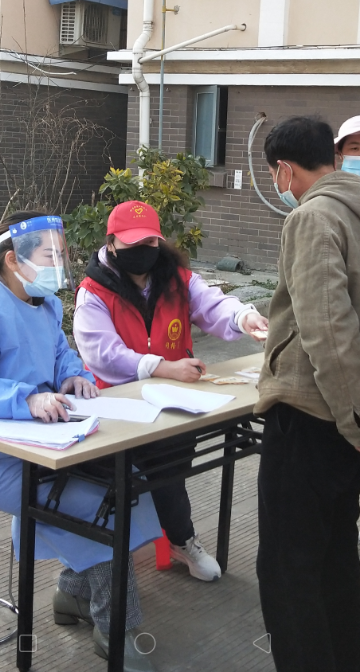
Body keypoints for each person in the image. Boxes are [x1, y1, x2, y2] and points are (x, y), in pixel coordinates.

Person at [0, 211, 162, 672]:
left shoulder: (42, 299)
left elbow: (58, 352)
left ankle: (73, 593)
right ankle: (116, 628)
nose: (59, 263)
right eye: (49, 255)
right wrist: (24, 399)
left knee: (127, 484)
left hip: (40, 438)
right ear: (13, 259)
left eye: (61, 254)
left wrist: (73, 374)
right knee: (95, 503)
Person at [69, 200, 268, 589]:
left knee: (171, 467)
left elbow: (212, 303)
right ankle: (109, 557)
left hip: (176, 398)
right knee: (121, 479)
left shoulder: (176, 279)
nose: (142, 250)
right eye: (131, 243)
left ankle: (178, 539)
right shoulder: (93, 291)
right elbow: (102, 353)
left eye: (149, 242)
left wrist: (243, 317)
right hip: (115, 404)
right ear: (111, 244)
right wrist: (160, 366)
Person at [255, 116, 360, 672]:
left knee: (288, 570)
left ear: (284, 170)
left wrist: (352, 419)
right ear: (334, 157)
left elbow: (327, 330)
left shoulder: (313, 216)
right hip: (342, 423)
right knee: (337, 558)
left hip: (313, 416)